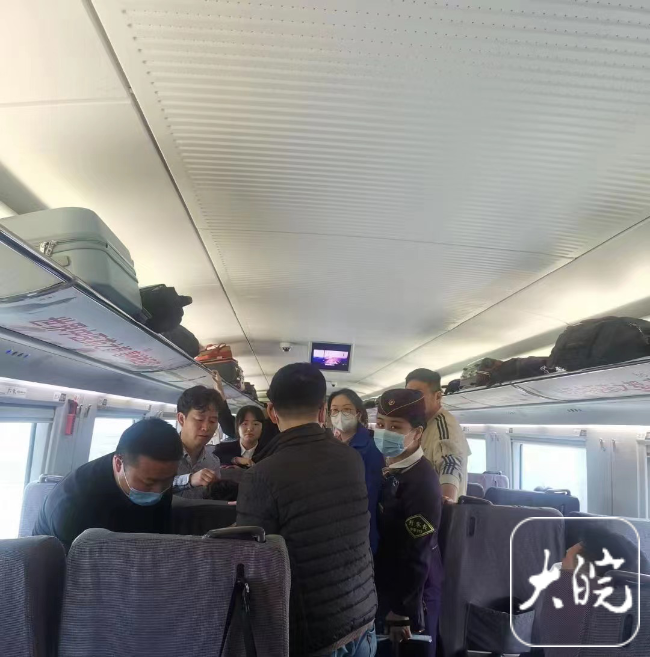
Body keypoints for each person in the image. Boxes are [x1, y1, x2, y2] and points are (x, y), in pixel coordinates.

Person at [236, 363, 377, 657]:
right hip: (362, 619)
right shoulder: (352, 459)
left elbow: (250, 563)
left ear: (271, 411)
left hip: (315, 634)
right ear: (323, 411)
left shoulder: (262, 474)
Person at [33, 418, 182, 552]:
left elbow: (157, 540)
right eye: (149, 483)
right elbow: (73, 569)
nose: (158, 491)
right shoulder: (74, 505)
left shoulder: (160, 478)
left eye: (167, 481)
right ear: (118, 464)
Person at [373, 389, 443, 656]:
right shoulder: (393, 466)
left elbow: (417, 552)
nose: (384, 432)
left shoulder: (421, 481)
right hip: (391, 581)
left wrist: (403, 611)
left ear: (417, 433)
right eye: (380, 424)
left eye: (395, 427)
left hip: (415, 591)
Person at [328, 388, 384, 554]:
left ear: (358, 414)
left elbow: (370, 496)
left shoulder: (371, 447)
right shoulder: (333, 444)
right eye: (335, 410)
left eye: (346, 410)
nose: (340, 415)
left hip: (361, 530)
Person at [405, 368, 470, 502]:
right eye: (409, 395)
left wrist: (446, 502)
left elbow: (451, 464)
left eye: (418, 395)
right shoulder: (422, 423)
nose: (412, 401)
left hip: (438, 511)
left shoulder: (444, 426)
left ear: (438, 396)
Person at [172, 385, 222, 499]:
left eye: (212, 421)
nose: (206, 427)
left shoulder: (213, 463)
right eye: (199, 419)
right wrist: (189, 480)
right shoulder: (161, 454)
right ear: (181, 419)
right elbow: (150, 489)